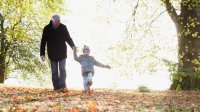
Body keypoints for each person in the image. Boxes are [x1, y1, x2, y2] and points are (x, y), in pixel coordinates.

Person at [40, 14, 75, 92]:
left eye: (59, 21)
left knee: (62, 69)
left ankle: (63, 86)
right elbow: (43, 42)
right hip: (52, 54)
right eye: (56, 21)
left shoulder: (63, 27)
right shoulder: (46, 28)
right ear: (52, 21)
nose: (58, 23)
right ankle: (56, 87)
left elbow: (68, 38)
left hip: (62, 53)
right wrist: (42, 54)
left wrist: (73, 47)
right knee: (54, 71)